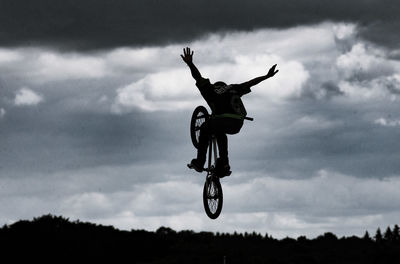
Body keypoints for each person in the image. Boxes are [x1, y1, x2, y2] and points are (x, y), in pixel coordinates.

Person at [181, 47, 278, 177]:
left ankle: (199, 162)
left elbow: (197, 77)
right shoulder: (233, 88)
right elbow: (251, 83)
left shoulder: (210, 90)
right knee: (220, 133)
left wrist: (190, 63)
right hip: (238, 122)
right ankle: (224, 165)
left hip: (223, 119)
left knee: (205, 129)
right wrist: (267, 76)